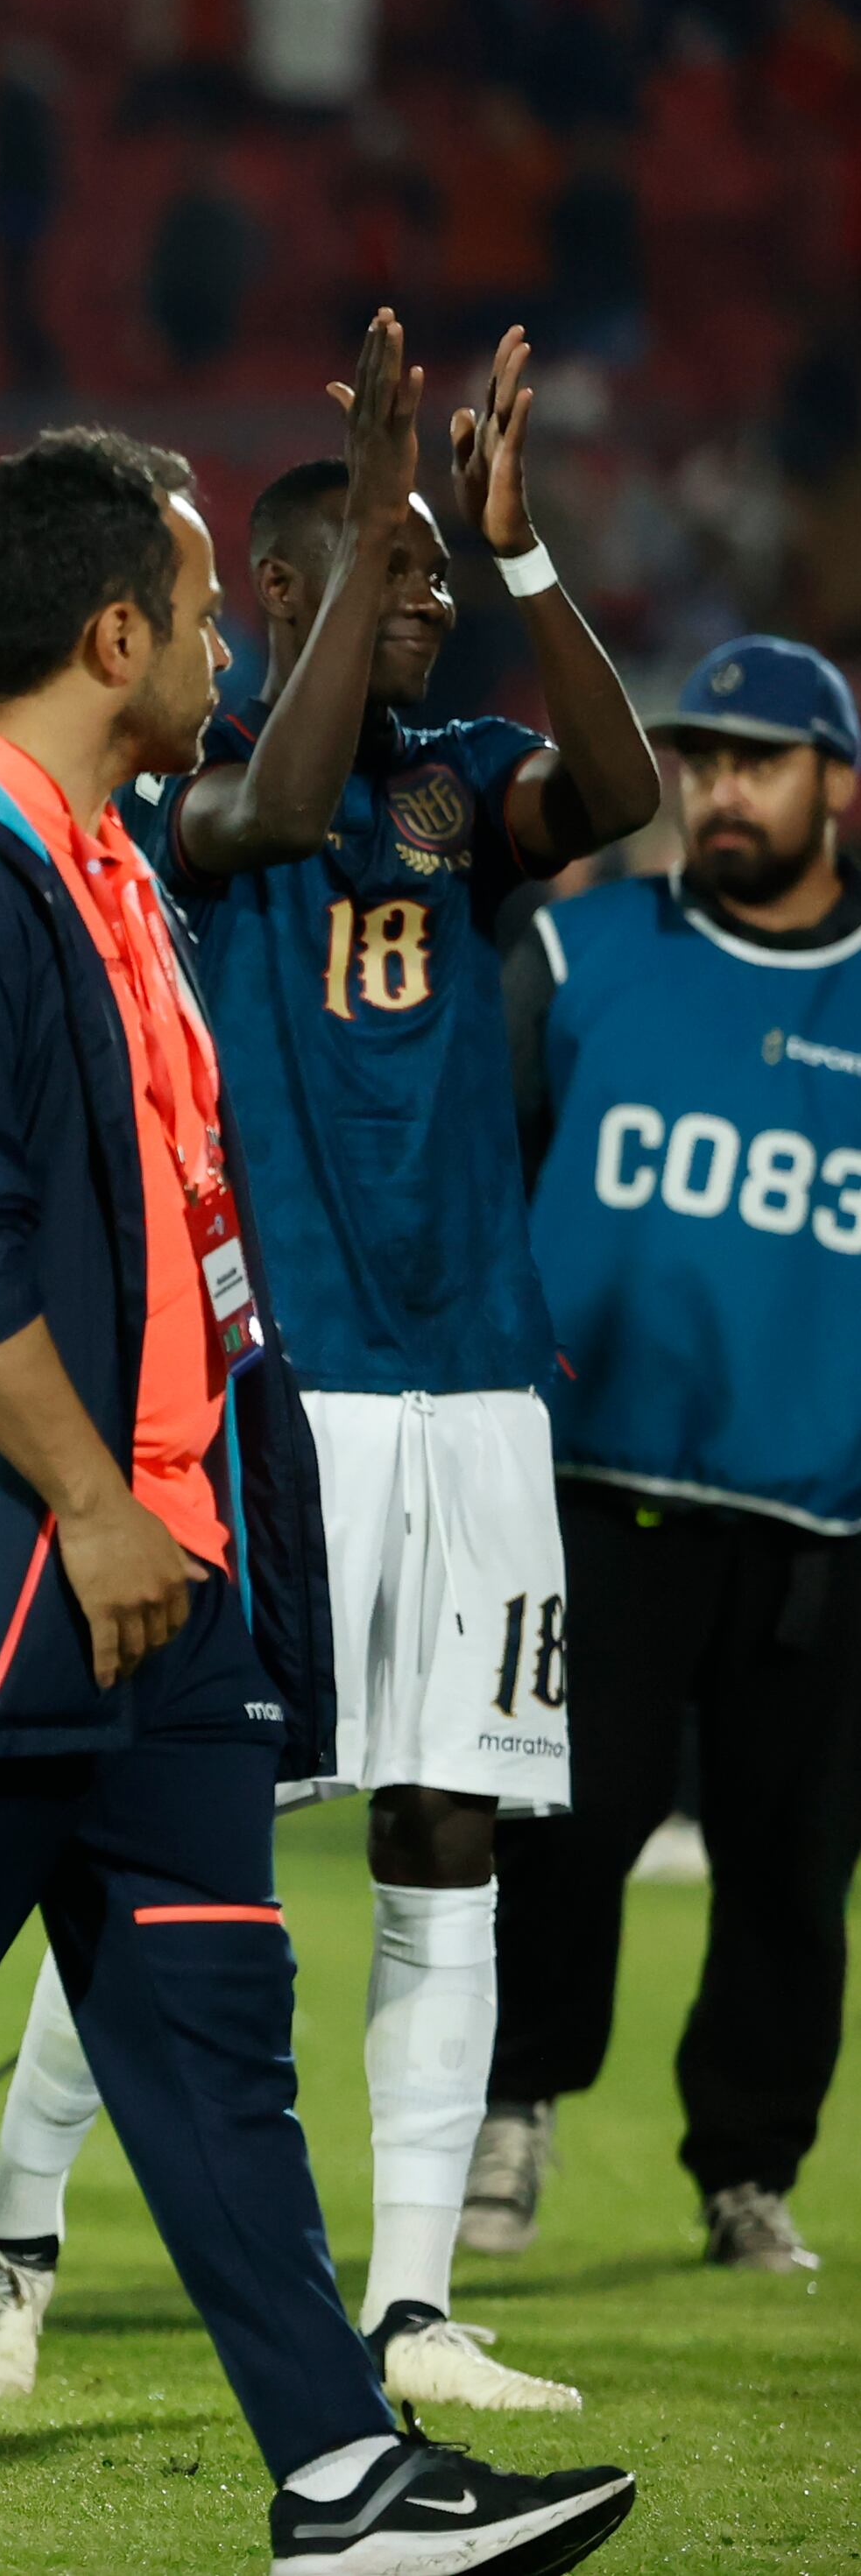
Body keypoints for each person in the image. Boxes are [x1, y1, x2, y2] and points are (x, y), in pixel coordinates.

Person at [0, 418, 635, 2576]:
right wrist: (87, 1497)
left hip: (163, 1570)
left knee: (210, 2031)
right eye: (193, 613)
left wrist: (183, 1510)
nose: (218, 650)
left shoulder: (113, 870)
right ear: (110, 636)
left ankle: (341, 2480)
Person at [0, 318, 656, 2417]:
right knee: (197, 1831)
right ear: (273, 590)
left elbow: (617, 792)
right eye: (390, 568)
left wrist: (516, 558)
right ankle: (16, 2222)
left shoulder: (453, 776)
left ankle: (410, 2302)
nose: (424, 599)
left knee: (449, 1828)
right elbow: (271, 806)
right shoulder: (187, 779)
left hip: (474, 1379)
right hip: (286, 1388)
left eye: (430, 578)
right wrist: (377, 525)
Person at [486, 631, 861, 2279]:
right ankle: (511, 2107)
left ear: (836, 782)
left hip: (821, 1520)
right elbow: (480, 1183)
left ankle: (750, 2169)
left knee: (794, 1868)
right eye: (701, 760)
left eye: (757, 762)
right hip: (596, 1491)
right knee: (562, 1834)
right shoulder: (583, 952)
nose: (719, 790)